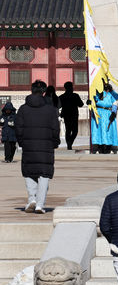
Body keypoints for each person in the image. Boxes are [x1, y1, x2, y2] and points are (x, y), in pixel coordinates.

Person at [15, 80, 60, 214]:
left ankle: (31, 199)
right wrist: (55, 142)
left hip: (29, 145)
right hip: (46, 146)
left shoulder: (23, 109)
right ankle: (40, 204)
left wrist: (22, 141)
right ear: (44, 92)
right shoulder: (51, 110)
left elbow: (18, 128)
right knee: (44, 174)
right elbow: (55, 128)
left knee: (29, 172)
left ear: (31, 91)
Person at [90, 83, 118, 154]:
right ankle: (98, 145)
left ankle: (108, 145)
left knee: (108, 130)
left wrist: (113, 112)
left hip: (108, 114)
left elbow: (115, 103)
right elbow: (92, 101)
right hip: (98, 113)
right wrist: (90, 103)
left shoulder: (111, 95)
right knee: (98, 129)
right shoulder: (97, 94)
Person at [58, 81, 84, 150]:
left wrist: (60, 113)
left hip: (66, 115)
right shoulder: (75, 95)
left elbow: (57, 106)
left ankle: (69, 144)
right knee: (75, 131)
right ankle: (70, 143)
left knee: (68, 130)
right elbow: (81, 104)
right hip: (74, 115)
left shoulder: (62, 97)